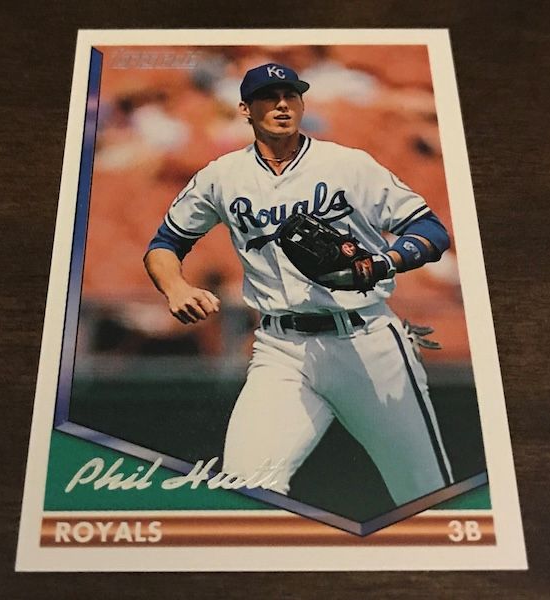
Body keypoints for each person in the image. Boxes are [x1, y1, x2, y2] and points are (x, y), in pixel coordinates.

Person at [144, 63, 454, 506]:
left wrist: (382, 262)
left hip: (367, 340)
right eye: (269, 97)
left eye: (291, 95)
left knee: (425, 496)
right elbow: (165, 243)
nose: (282, 105)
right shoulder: (222, 176)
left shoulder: (347, 164)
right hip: (281, 348)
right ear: (245, 109)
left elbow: (429, 230)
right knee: (245, 490)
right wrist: (175, 287)